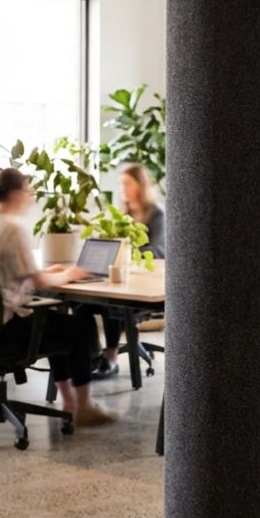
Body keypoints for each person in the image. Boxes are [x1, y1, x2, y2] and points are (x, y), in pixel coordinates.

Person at [0, 167, 117, 426]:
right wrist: (71, 273)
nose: (30, 197)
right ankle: (82, 407)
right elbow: (39, 282)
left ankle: (70, 403)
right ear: (16, 193)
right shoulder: (14, 227)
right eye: (28, 191)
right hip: (8, 327)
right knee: (78, 328)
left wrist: (50, 271)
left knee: (54, 323)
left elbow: (13, 273)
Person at [92, 163, 165, 380]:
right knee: (85, 306)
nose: (122, 188)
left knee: (114, 304)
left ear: (140, 186)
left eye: (127, 184)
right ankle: (92, 357)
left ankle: (112, 358)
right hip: (122, 278)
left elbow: (159, 249)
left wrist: (130, 255)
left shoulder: (156, 213)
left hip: (147, 282)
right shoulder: (123, 214)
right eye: (120, 184)